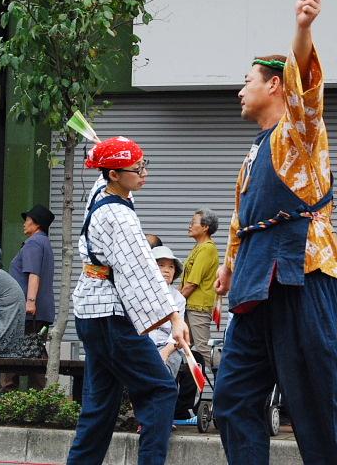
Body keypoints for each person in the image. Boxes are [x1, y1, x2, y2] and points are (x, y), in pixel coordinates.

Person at [213, 0, 337, 464]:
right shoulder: (254, 150)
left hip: (299, 270)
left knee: (311, 399)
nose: (239, 90)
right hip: (254, 278)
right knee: (231, 398)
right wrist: (229, 265)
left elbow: (305, 83)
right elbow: (240, 219)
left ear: (274, 85)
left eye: (247, 80)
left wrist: (303, 28)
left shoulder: (299, 131)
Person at [66, 136, 190, 465]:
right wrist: (175, 318)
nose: (144, 173)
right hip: (111, 315)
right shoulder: (119, 218)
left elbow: (107, 176)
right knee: (161, 390)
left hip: (91, 311)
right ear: (114, 174)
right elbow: (142, 271)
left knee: (99, 406)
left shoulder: (102, 193)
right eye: (137, 169)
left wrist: (107, 151)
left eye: (143, 164)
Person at [6, 203, 55, 389]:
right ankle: (41, 395)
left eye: (27, 220)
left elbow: (34, 274)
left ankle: (9, 393)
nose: (24, 223)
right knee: (34, 350)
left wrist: (30, 302)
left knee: (16, 351)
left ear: (37, 223)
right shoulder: (44, 242)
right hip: (41, 310)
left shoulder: (33, 243)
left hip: (29, 311)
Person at [181, 207, 220, 364]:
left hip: (198, 307)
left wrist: (174, 302)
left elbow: (192, 283)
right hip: (190, 305)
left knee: (203, 347)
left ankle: (226, 375)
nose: (190, 225)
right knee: (182, 344)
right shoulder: (198, 248)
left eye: (193, 222)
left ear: (205, 227)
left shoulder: (207, 248)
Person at [150, 245, 187, 378]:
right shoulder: (137, 293)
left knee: (163, 373)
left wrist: (164, 353)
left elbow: (177, 334)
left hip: (167, 347)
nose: (167, 270)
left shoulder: (178, 298)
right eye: (161, 265)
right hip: (141, 345)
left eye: (171, 266)